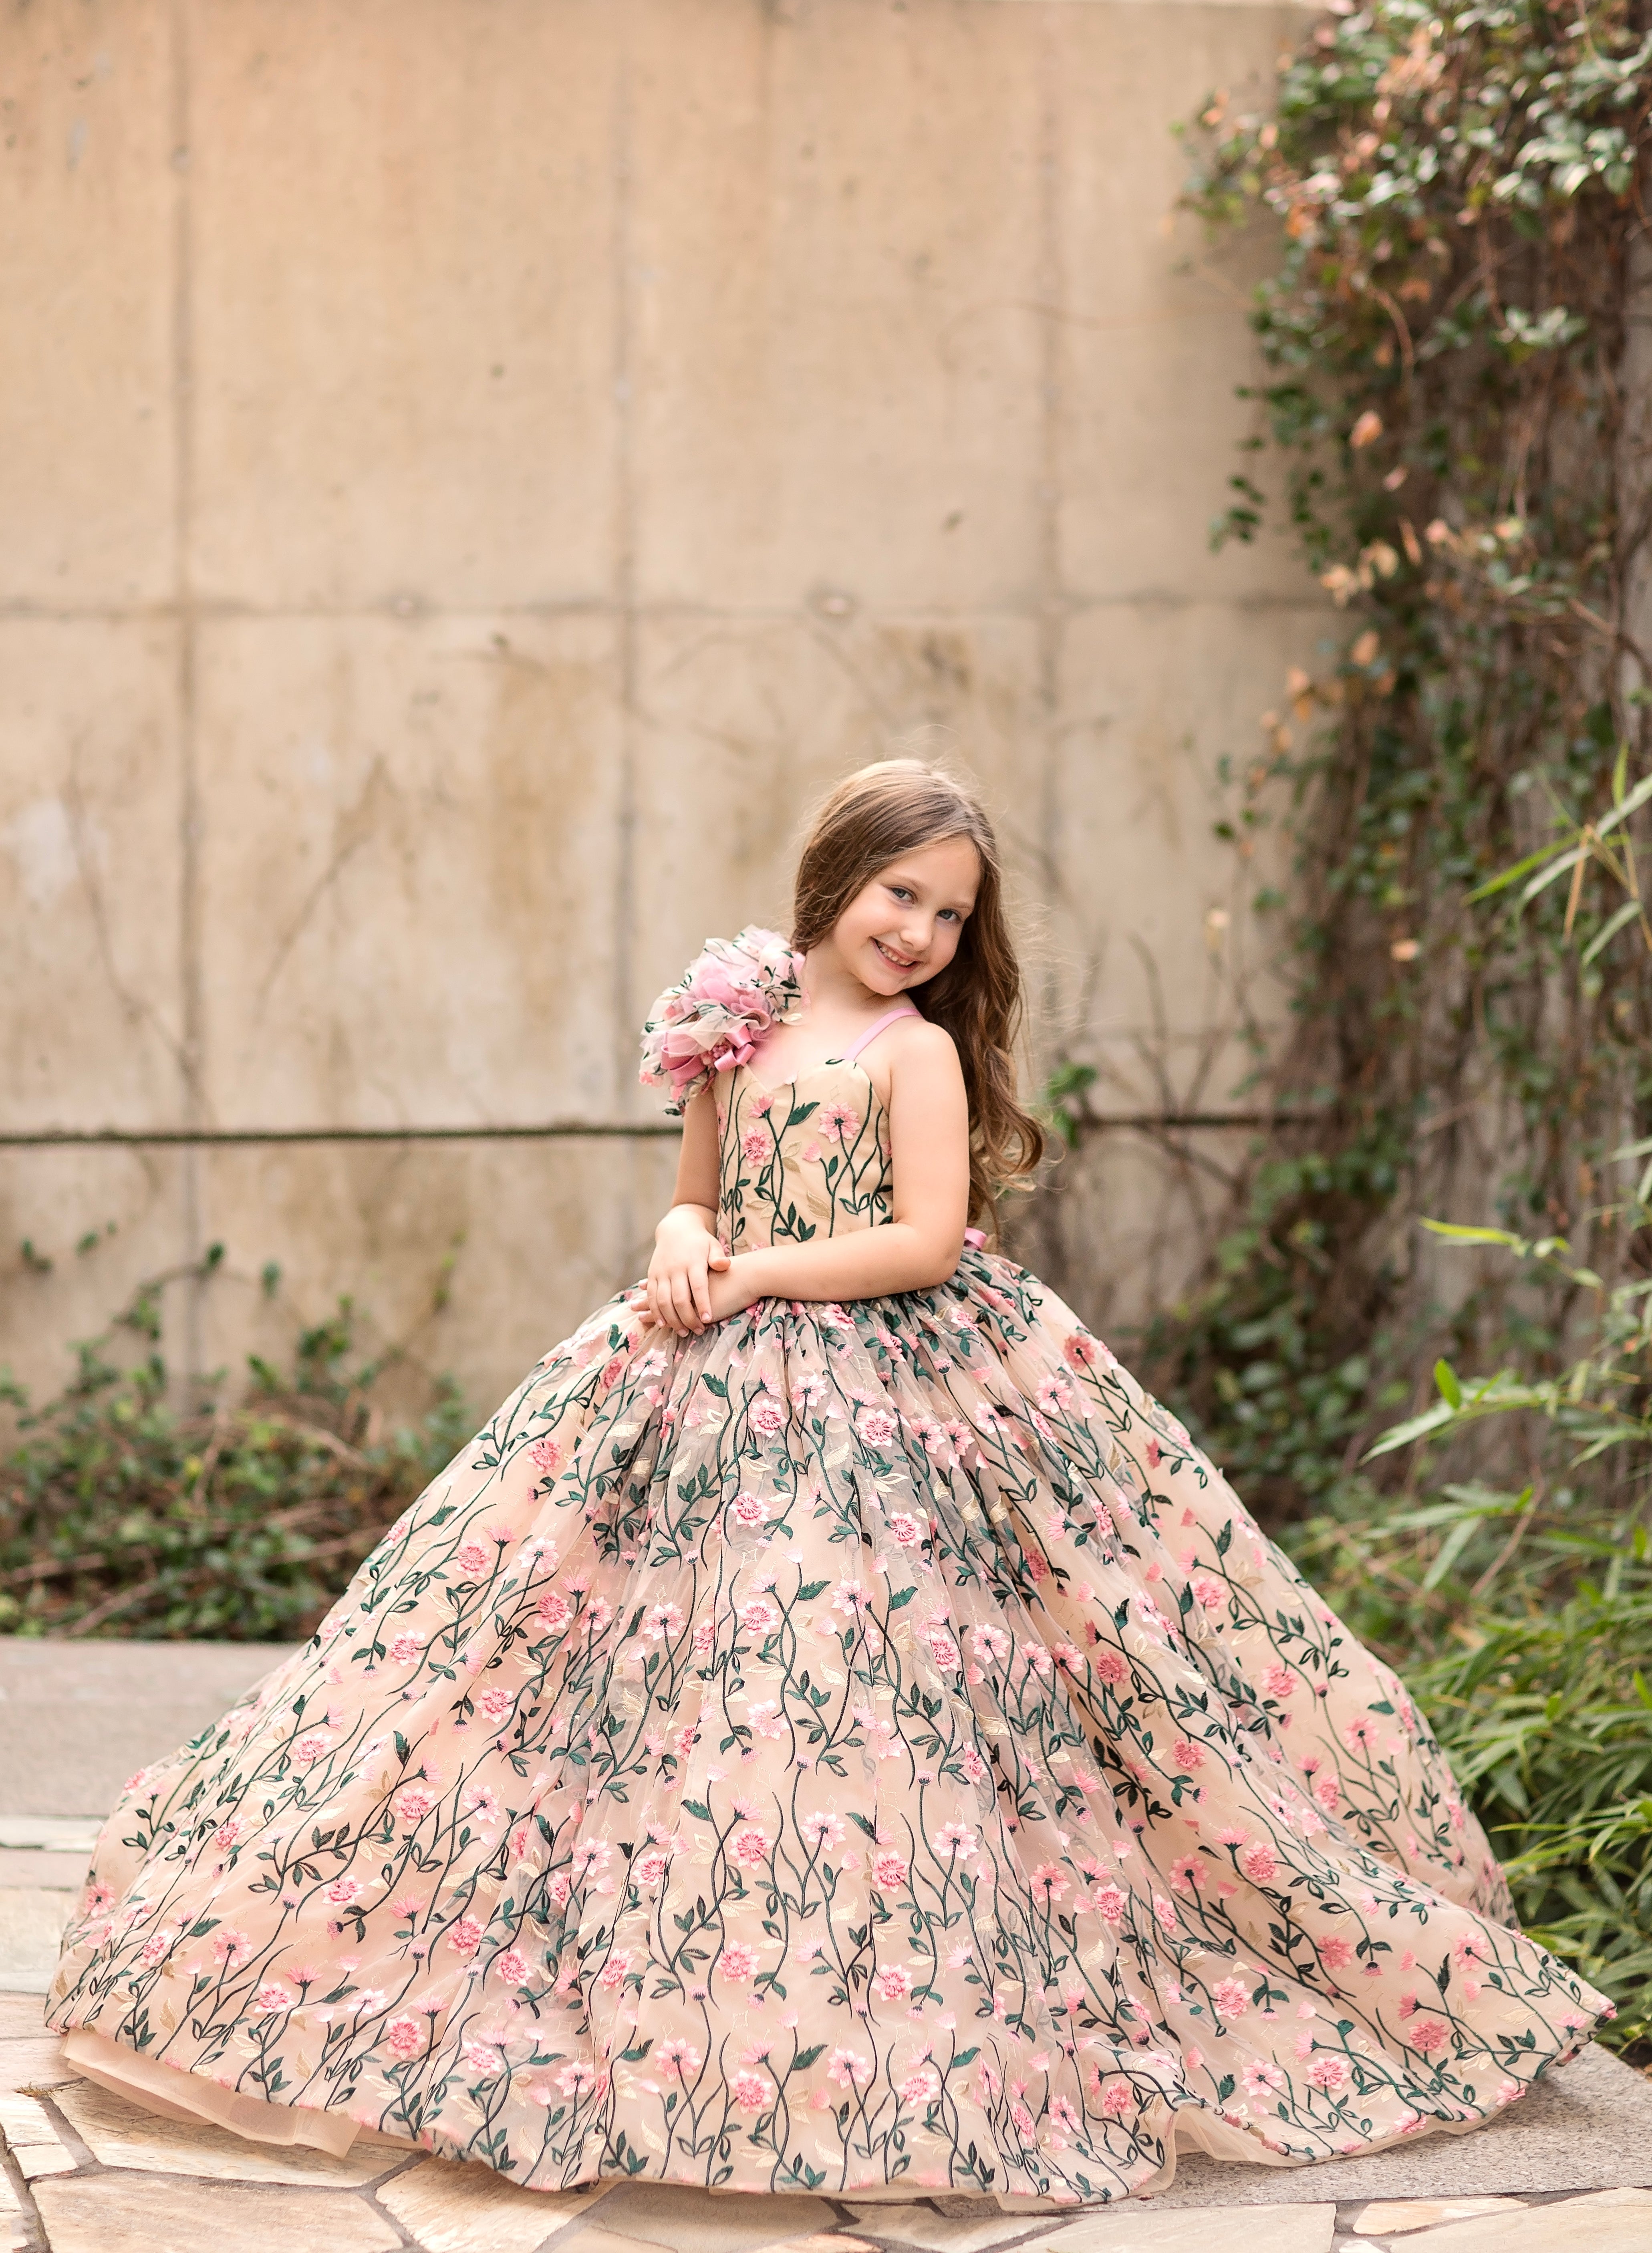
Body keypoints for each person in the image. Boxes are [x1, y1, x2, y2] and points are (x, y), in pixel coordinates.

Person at [47, 761, 1608, 2207]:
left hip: (892, 1390)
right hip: (695, 1370)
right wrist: (679, 1240)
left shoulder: (910, 1051)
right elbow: (694, 1192)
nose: (919, 930)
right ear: (833, 875)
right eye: (898, 894)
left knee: (864, 1683)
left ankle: (877, 2005)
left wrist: (751, 1276)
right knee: (585, 1672)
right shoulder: (734, 1014)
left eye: (948, 911)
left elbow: (923, 1239)